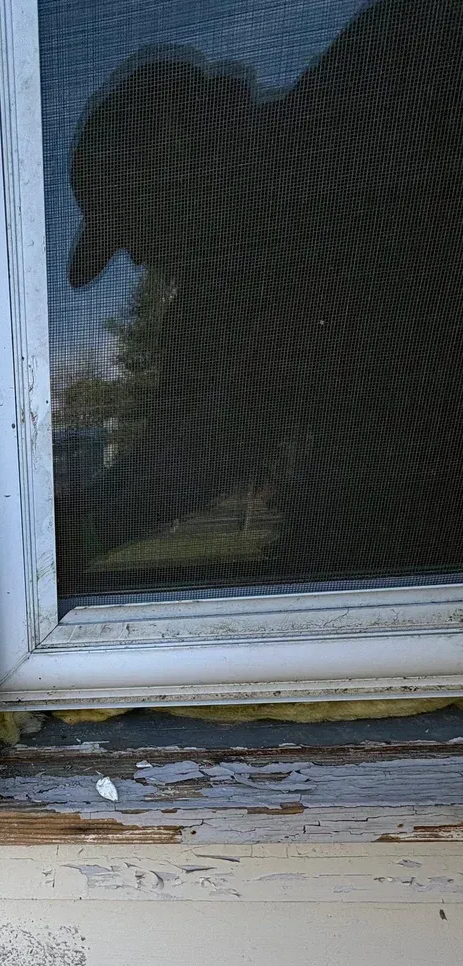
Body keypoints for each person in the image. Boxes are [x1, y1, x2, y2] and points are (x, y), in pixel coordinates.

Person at [65, 0, 463, 589]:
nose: (142, 259)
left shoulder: (382, 103)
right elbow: (195, 448)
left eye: (138, 225)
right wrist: (75, 533)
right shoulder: (213, 302)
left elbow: (215, 443)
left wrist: (75, 533)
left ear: (195, 160)